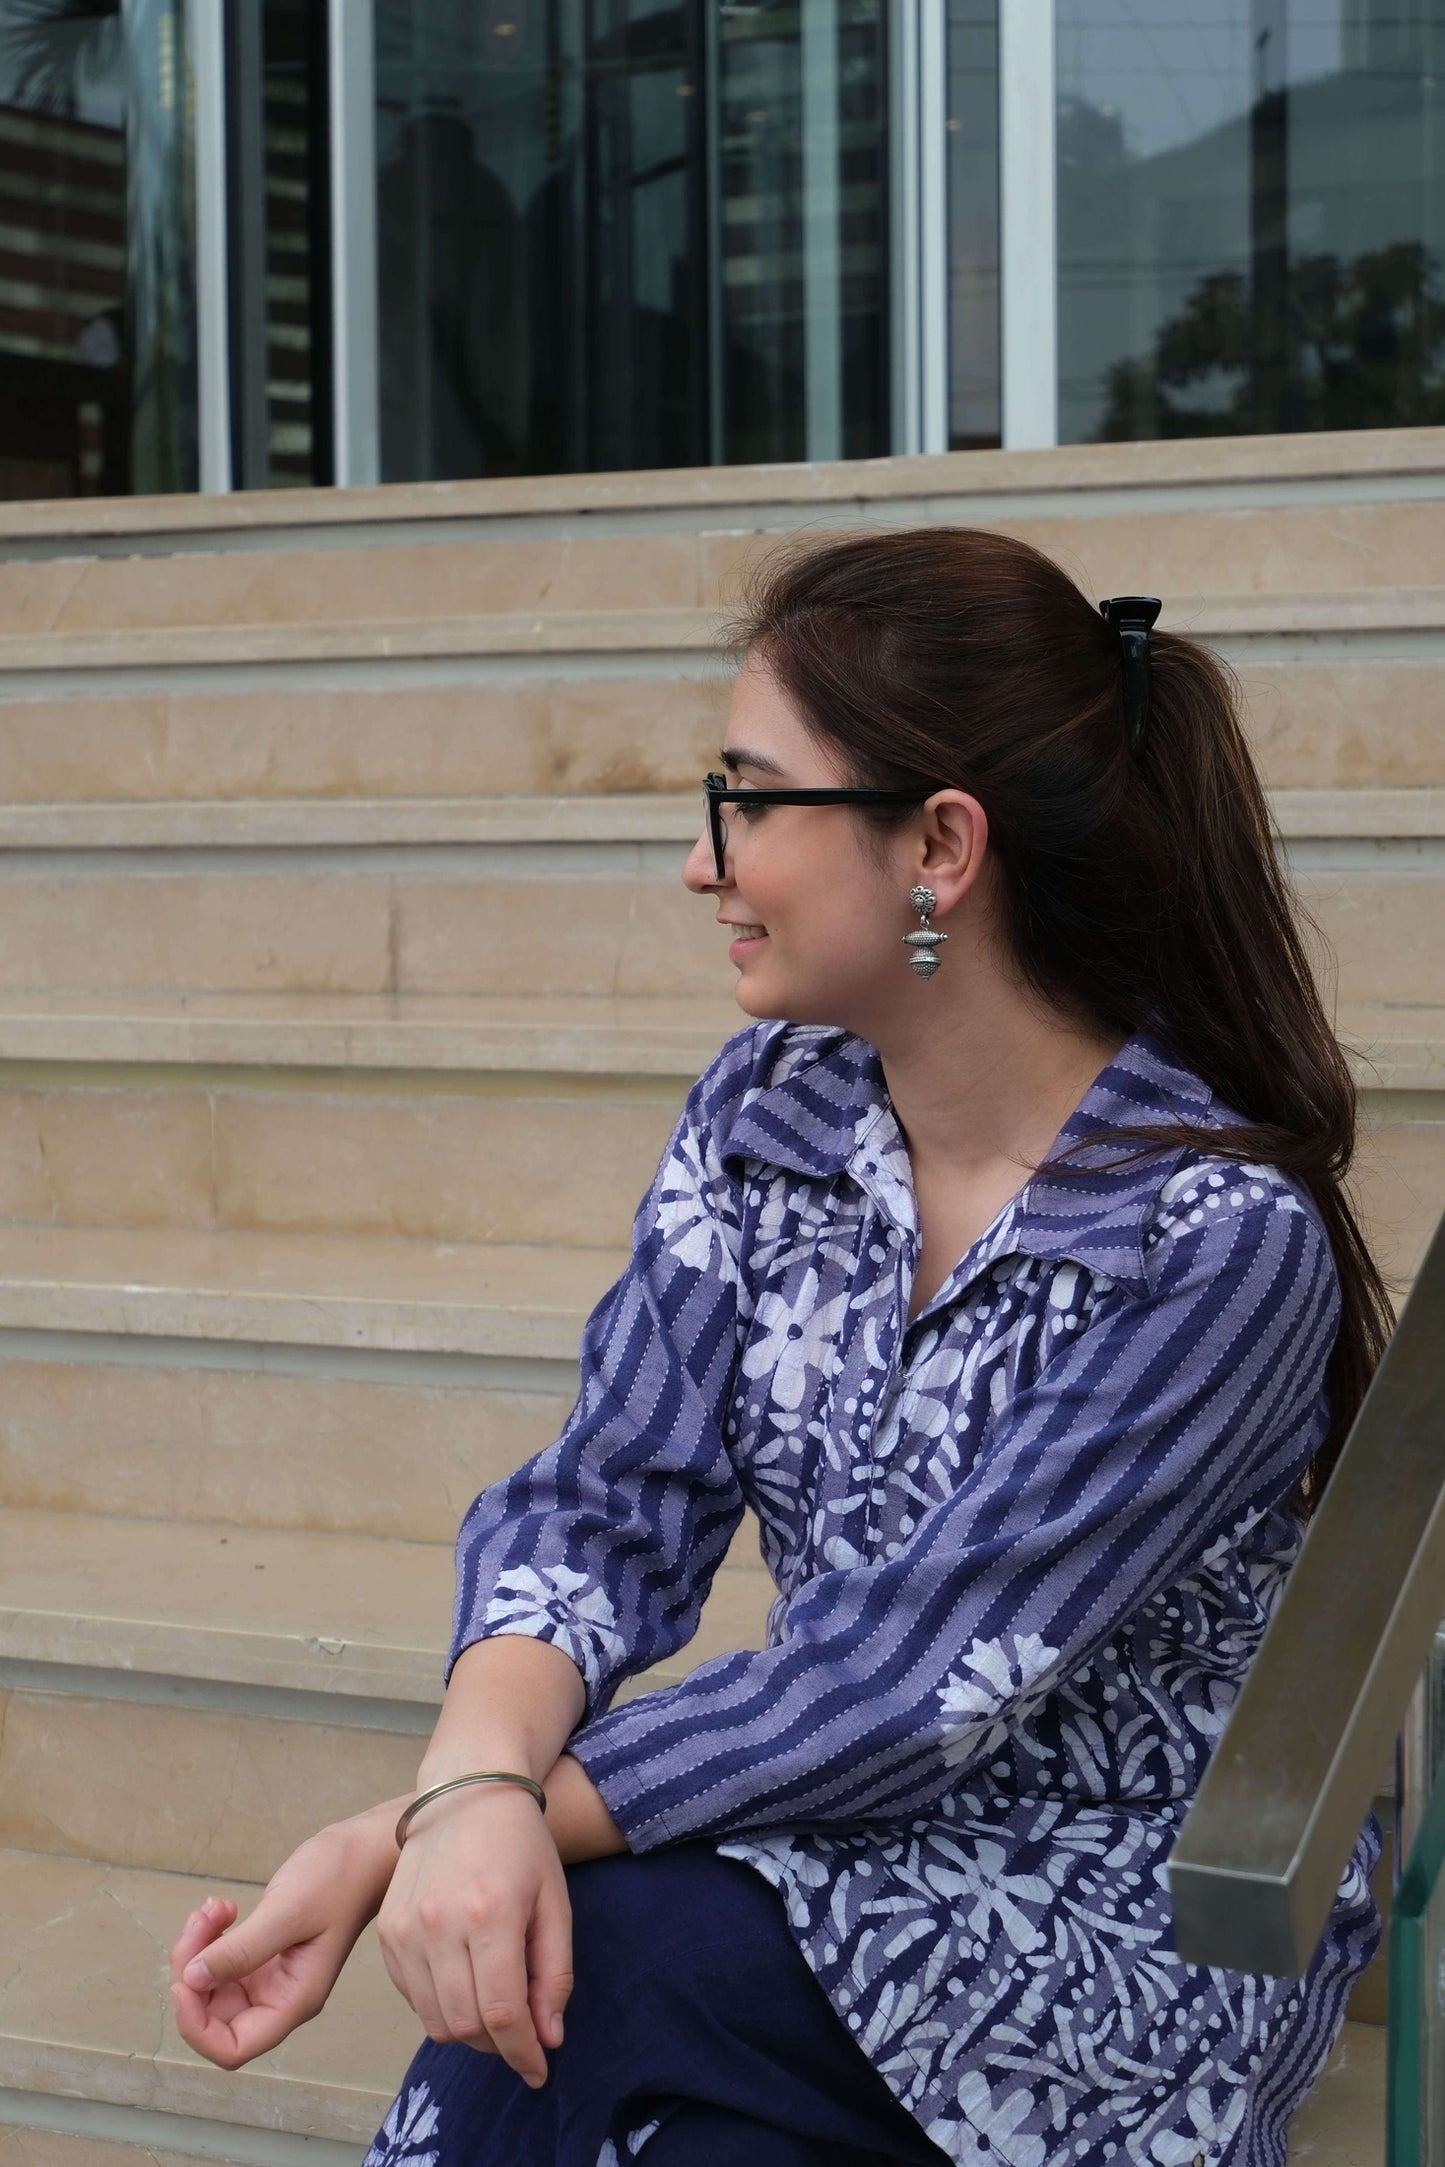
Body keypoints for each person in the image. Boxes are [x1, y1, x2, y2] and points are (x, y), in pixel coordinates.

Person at [169, 528, 1389, 2167]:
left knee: (582, 1964)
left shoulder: (1208, 1238)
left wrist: (429, 1833)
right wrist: (472, 1778)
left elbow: (905, 1682)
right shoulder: (770, 1117)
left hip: (1124, 1917)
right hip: (821, 1861)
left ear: (938, 846)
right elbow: (608, 1504)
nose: (704, 860)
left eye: (750, 798)